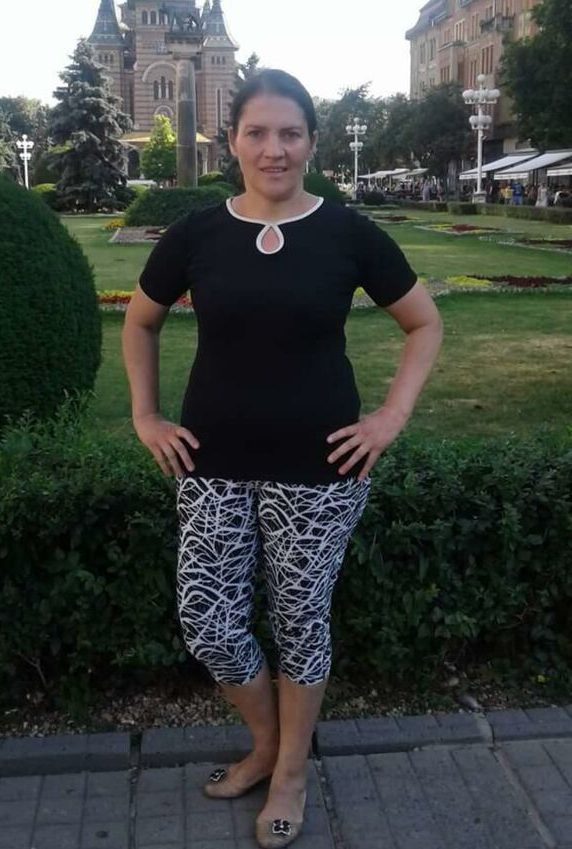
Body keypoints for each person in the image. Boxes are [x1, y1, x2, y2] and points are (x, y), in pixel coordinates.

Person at [121, 68, 444, 849]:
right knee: (208, 619)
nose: (274, 149)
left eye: (290, 133)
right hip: (212, 463)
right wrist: (145, 414)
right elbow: (139, 322)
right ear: (231, 141)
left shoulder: (348, 234)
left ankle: (291, 771)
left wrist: (390, 417)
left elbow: (424, 324)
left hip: (320, 468)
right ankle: (267, 744)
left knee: (301, 620)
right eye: (258, 133)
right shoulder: (196, 234)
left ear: (311, 142)